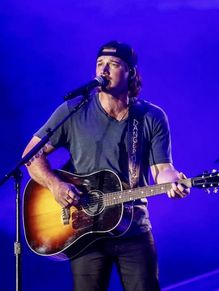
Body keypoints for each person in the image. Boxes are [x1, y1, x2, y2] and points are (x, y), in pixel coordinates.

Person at [23, 40, 189, 291]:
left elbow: (162, 170)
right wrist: (55, 185)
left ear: (130, 72)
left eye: (113, 64)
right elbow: (30, 155)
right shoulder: (73, 111)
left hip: (134, 230)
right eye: (100, 64)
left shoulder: (150, 117)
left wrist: (173, 181)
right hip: (83, 231)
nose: (104, 70)